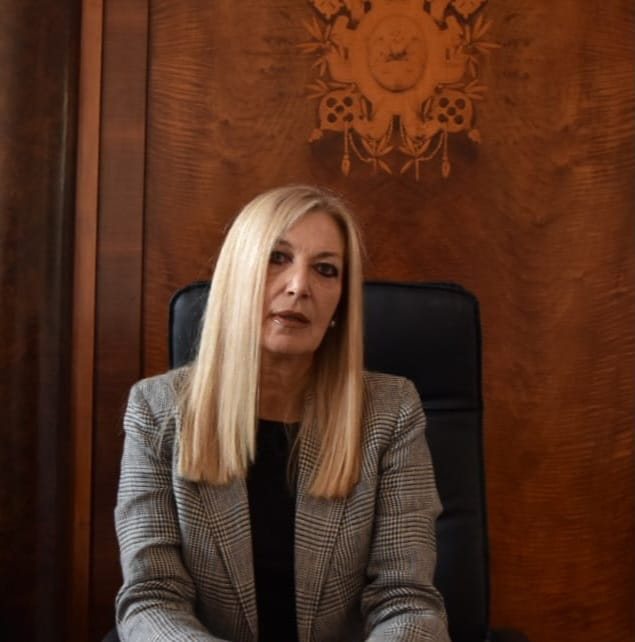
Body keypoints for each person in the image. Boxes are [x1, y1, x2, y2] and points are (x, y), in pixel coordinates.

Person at [114, 184, 450, 641]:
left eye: (325, 270)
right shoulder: (156, 410)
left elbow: (405, 598)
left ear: (340, 303)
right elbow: (153, 597)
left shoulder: (391, 412)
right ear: (237, 276)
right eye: (277, 258)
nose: (298, 286)